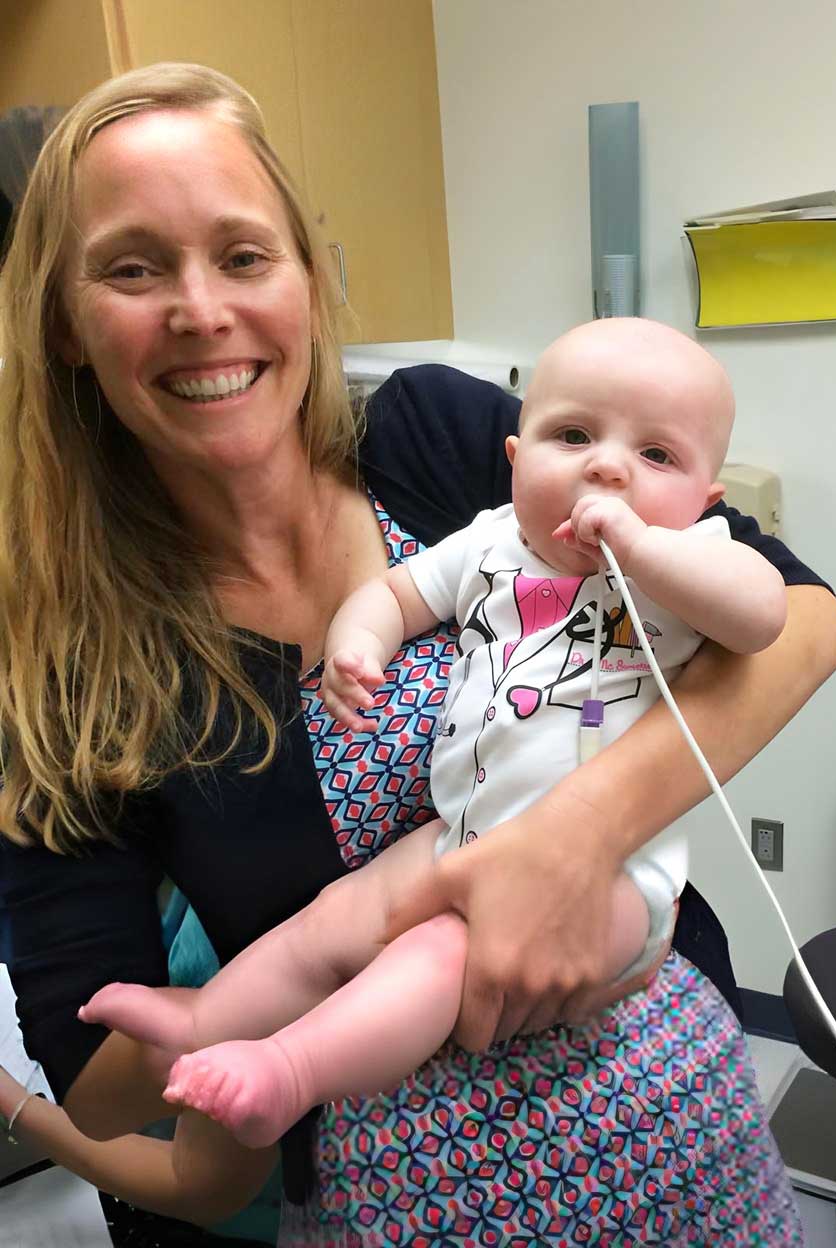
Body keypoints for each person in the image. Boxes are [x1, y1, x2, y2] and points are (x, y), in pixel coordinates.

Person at [0, 61, 836, 1246]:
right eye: (133, 269)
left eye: (243, 255)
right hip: (410, 1200)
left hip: (672, 1120)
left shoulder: (437, 438)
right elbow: (97, 1081)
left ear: (307, 281)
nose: (200, 310)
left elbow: (805, 621)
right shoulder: (70, 672)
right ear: (64, 324)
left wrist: (567, 839)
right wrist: (325, 969)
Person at [78, 317, 789, 1156]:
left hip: (615, 880)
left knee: (442, 949)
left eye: (657, 456)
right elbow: (396, 594)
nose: (607, 467)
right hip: (462, 833)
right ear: (516, 457)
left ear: (706, 498)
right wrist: (358, 644)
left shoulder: (692, 556)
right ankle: (204, 1018)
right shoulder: (492, 542)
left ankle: (292, 1072)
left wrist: (641, 547)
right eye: (573, 436)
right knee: (339, 916)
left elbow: (762, 615)